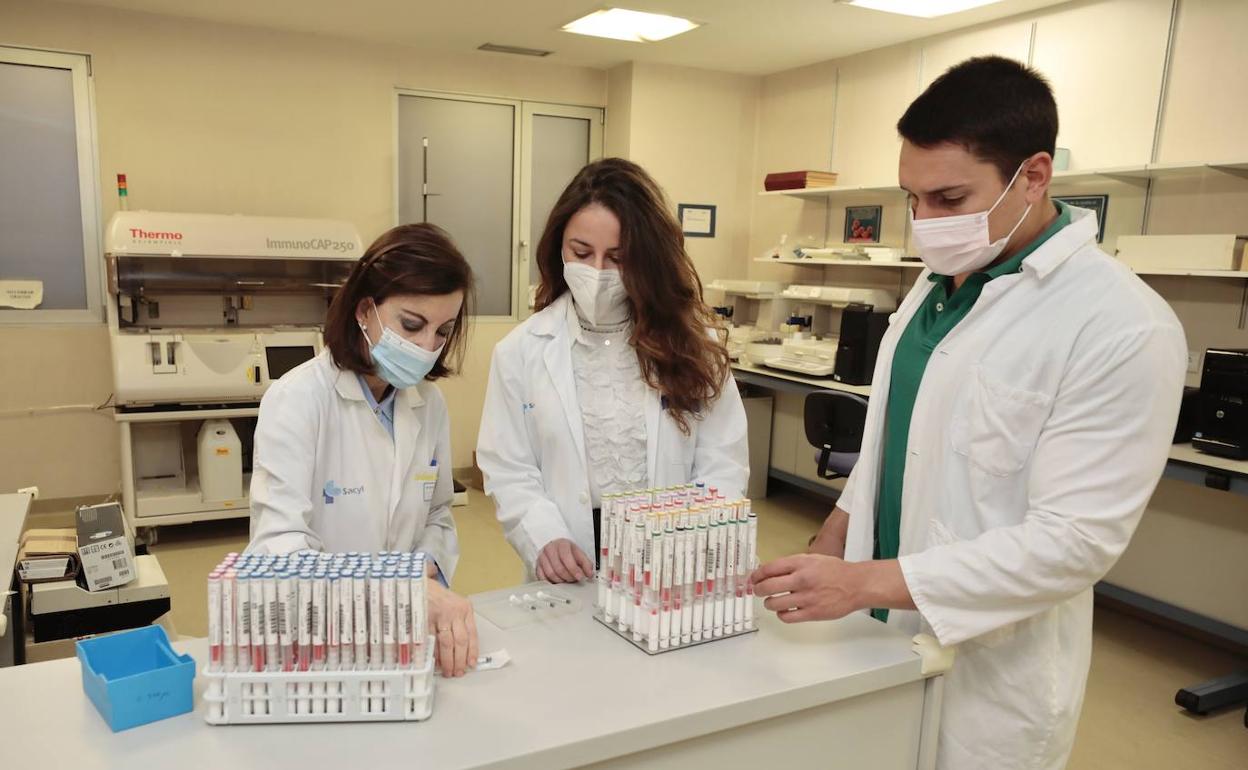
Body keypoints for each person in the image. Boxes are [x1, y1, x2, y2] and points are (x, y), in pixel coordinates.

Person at [751, 57, 1186, 770]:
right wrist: (831, 543)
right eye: (912, 198)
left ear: (1035, 177)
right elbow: (897, 441)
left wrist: (863, 582)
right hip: (875, 632)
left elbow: (1073, 544)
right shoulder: (934, 287)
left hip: (990, 676)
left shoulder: (1120, 323)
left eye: (949, 198)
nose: (925, 222)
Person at [477, 158, 749, 583]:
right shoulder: (521, 351)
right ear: (557, 247)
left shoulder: (695, 347)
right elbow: (509, 467)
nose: (598, 272)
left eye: (618, 258)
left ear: (648, 259)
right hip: (569, 556)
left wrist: (692, 533)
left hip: (674, 552)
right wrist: (543, 537)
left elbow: (724, 461)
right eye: (581, 253)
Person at [248, 223, 479, 677]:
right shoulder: (298, 399)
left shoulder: (427, 403)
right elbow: (279, 549)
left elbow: (437, 515)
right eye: (411, 324)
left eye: (442, 331)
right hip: (316, 638)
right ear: (364, 310)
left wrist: (426, 569)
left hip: (401, 636)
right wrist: (397, 588)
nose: (426, 346)